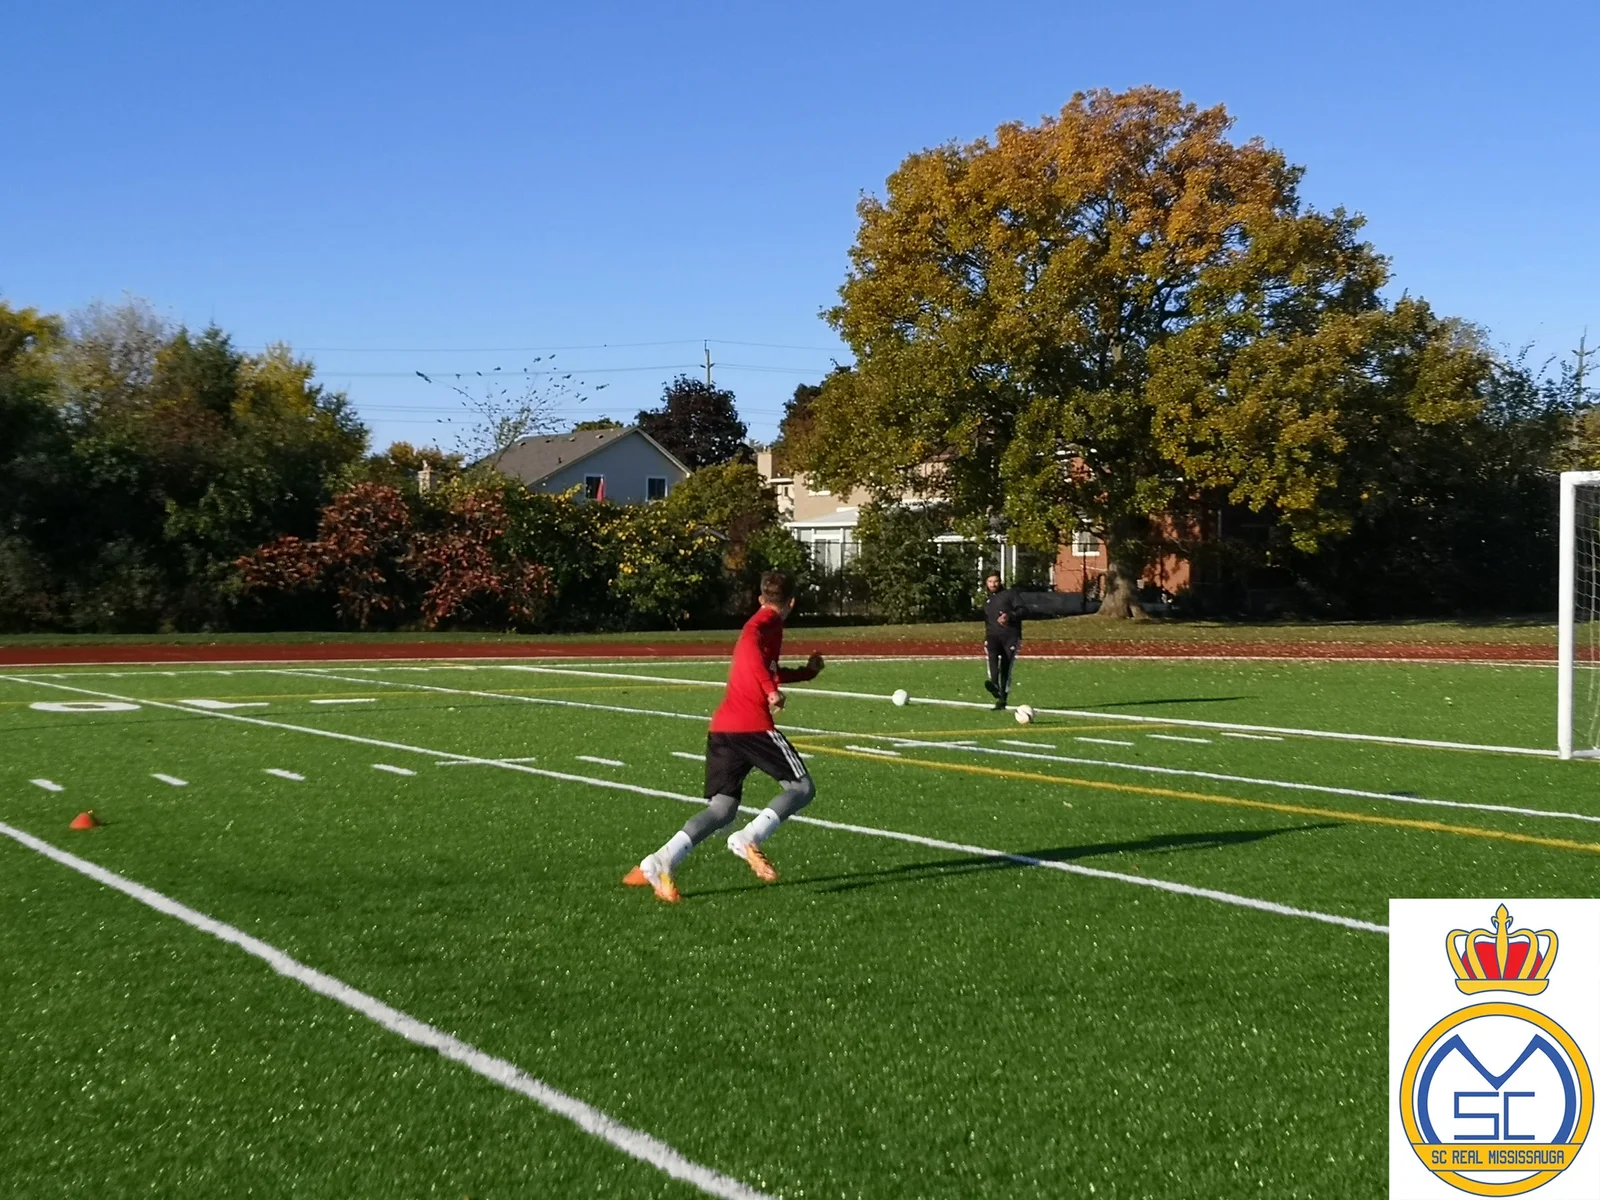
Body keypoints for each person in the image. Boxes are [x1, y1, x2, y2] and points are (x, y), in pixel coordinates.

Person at [625, 571, 824, 904]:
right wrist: (771, 692)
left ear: (761, 597)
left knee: (722, 808)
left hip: (723, 728)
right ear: (792, 602)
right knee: (802, 788)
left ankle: (659, 860)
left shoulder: (768, 626)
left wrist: (806, 673)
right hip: (751, 726)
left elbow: (765, 667)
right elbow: (748, 647)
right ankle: (748, 838)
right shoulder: (762, 624)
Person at [982, 571, 1023, 710]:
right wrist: (986, 638)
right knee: (992, 660)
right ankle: (994, 685)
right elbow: (988, 621)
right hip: (993, 636)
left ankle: (1002, 699)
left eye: (996, 581)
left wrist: (1009, 616)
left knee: (1006, 667)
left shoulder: (1010, 594)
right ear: (986, 583)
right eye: (990, 581)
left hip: (1010, 636)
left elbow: (1024, 610)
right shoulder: (988, 600)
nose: (993, 584)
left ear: (1000, 582)